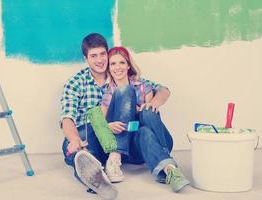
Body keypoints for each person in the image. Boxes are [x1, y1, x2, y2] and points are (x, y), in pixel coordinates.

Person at [60, 33, 171, 199]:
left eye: (103, 54)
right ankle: (96, 176)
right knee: (75, 143)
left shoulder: (121, 75)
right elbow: (67, 118)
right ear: (86, 59)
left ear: (108, 53)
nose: (99, 60)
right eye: (93, 56)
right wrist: (75, 139)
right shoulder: (76, 83)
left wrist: (153, 103)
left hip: (122, 137)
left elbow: (162, 89)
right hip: (92, 135)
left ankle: (112, 160)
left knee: (125, 92)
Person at [100, 46, 190, 192]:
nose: (118, 67)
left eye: (122, 63)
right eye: (113, 64)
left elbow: (156, 103)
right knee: (143, 130)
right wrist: (109, 125)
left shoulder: (142, 86)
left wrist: (149, 105)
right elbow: (101, 124)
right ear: (109, 68)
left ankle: (170, 169)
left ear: (128, 65)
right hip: (131, 148)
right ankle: (169, 167)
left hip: (157, 141)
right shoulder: (108, 93)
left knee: (146, 117)